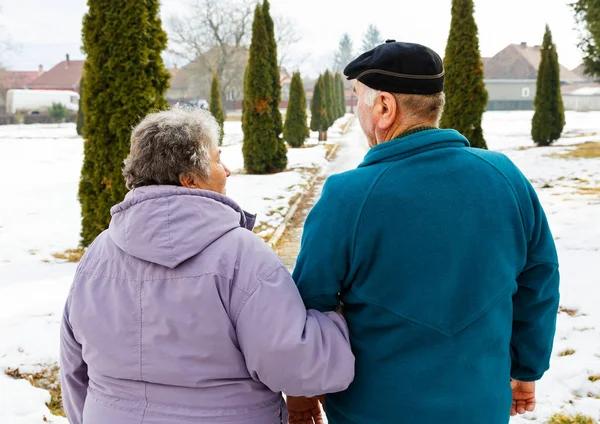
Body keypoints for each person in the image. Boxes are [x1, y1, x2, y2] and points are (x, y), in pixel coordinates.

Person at [288, 40, 560, 423]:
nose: (358, 113)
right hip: (481, 405)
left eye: (358, 100)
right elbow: (540, 280)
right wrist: (526, 367)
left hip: (375, 410)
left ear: (384, 107)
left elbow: (305, 308)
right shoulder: (506, 178)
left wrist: (301, 392)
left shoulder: (347, 197)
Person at [59, 106, 354, 424]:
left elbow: (73, 368)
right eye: (217, 159)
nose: (227, 170)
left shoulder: (97, 255)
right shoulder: (243, 257)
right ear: (189, 180)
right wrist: (337, 323)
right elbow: (296, 367)